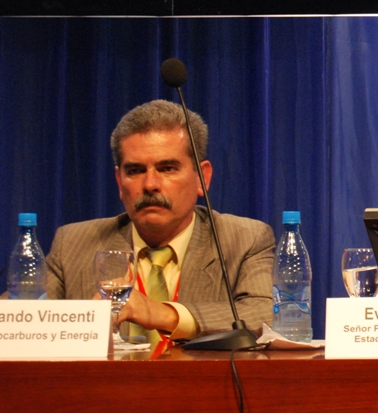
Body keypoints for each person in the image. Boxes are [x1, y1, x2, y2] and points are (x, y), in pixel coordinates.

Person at [45, 100, 275, 343]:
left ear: (202, 178)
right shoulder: (72, 244)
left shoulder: (245, 240)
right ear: (119, 181)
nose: (150, 185)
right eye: (135, 171)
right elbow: (24, 321)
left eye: (167, 168)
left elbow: (266, 314)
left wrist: (163, 314)